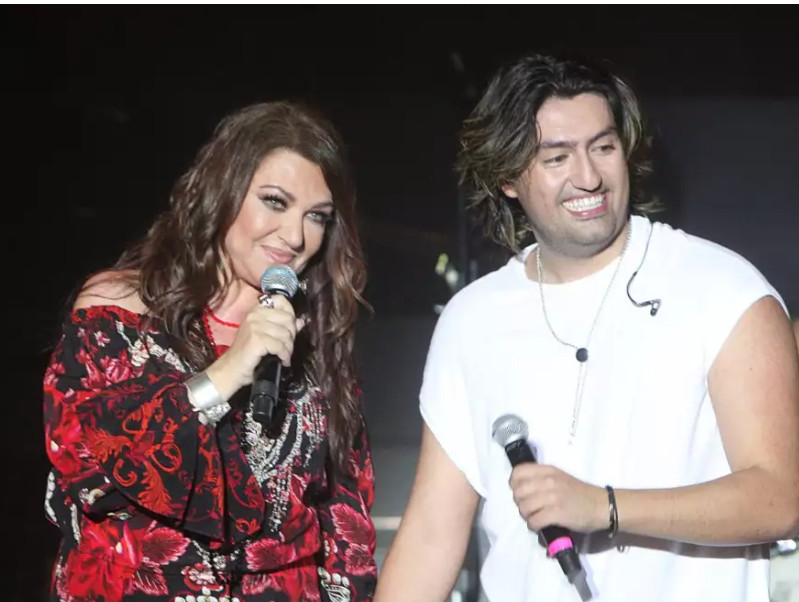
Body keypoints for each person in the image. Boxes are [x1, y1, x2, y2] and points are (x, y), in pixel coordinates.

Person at [374, 53, 799, 602]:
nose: (589, 177)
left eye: (603, 147)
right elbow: (431, 539)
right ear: (507, 177)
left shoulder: (724, 290)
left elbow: (781, 498)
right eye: (557, 157)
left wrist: (605, 507)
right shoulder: (471, 320)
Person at [43, 101, 377, 602]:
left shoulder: (315, 344)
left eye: (317, 217)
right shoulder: (119, 312)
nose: (295, 236)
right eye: (274, 201)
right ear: (223, 190)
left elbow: (345, 527)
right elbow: (86, 470)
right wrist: (224, 374)